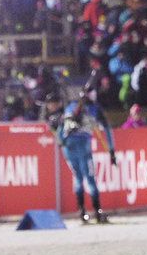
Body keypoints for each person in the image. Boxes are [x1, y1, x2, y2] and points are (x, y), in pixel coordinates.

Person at [45, 90, 118, 224]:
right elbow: (107, 129)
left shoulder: (70, 106)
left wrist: (62, 143)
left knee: (78, 177)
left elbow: (61, 128)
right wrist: (112, 151)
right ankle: (97, 211)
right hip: (83, 143)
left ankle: (82, 212)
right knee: (90, 178)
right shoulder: (95, 108)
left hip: (68, 146)